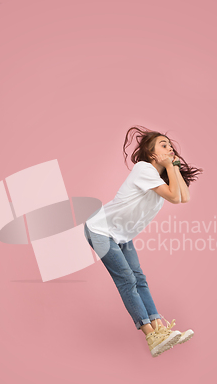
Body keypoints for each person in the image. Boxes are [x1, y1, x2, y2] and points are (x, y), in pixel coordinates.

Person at [84, 126, 203, 357]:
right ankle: (151, 335)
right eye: (163, 145)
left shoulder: (160, 179)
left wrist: (174, 167)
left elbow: (183, 198)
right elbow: (173, 196)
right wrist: (170, 165)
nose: (170, 148)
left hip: (121, 235)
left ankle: (161, 329)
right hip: (99, 229)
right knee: (127, 279)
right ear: (151, 154)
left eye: (171, 145)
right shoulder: (143, 169)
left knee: (139, 278)